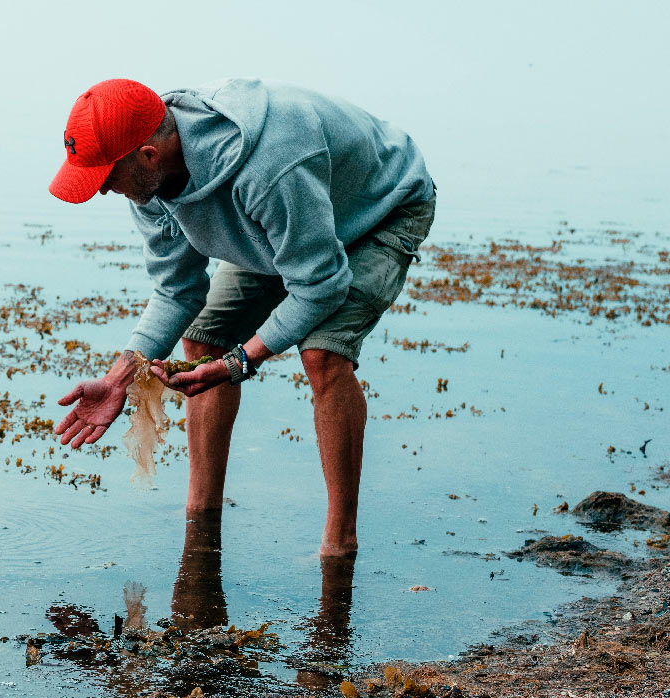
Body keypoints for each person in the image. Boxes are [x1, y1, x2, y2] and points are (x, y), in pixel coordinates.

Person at [49, 79, 434, 557]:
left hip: (380, 206)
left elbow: (320, 285)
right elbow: (177, 290)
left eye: (106, 177)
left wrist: (239, 363)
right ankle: (201, 517)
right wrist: (118, 379)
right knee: (202, 338)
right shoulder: (150, 188)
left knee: (321, 354)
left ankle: (339, 541)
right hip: (286, 223)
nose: (104, 190)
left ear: (148, 154)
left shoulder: (268, 165)